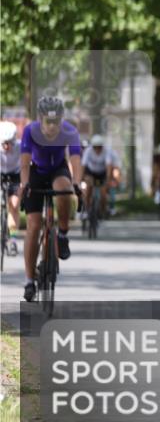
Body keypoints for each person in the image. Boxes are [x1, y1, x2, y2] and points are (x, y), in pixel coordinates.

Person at [17, 97, 83, 301]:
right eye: (48, 121)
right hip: (36, 172)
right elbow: (25, 164)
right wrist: (25, 185)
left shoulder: (70, 132)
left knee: (64, 190)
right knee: (34, 226)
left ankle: (62, 234)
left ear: (62, 119)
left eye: (56, 122)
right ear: (40, 118)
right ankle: (29, 280)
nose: (52, 126)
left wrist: (77, 185)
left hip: (57, 170)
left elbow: (75, 161)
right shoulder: (30, 131)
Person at [80, 135, 121, 220]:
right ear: (92, 146)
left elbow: (109, 166)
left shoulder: (107, 151)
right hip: (91, 172)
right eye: (95, 147)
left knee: (103, 194)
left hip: (102, 173)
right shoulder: (88, 151)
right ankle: (87, 211)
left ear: (102, 146)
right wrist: (81, 178)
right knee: (88, 190)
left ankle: (102, 211)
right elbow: (83, 166)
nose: (97, 149)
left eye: (99, 147)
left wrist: (108, 180)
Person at [1, 121, 22, 253]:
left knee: (14, 205)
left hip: (15, 175)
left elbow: (27, 162)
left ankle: (13, 238)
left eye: (9, 143)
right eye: (4, 143)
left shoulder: (20, 147)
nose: (7, 146)